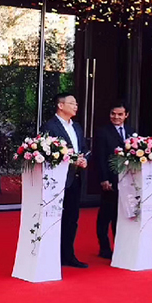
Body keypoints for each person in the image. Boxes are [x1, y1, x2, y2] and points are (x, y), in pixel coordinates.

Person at [41, 93, 89, 268]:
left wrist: (84, 159)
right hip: (57, 179)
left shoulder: (76, 127)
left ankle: (68, 255)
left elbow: (83, 148)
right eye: (72, 103)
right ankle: (51, 254)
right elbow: (46, 153)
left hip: (74, 177)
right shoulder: (49, 126)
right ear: (60, 105)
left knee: (72, 218)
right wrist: (70, 160)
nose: (75, 106)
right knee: (54, 217)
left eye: (76, 104)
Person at [93, 101, 135, 259]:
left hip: (127, 180)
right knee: (106, 214)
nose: (116, 117)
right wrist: (104, 179)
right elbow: (100, 157)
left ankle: (121, 247)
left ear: (126, 115)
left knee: (122, 214)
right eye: (113, 114)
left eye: (120, 114)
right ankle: (104, 248)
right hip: (110, 179)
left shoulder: (131, 131)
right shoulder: (102, 132)